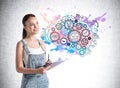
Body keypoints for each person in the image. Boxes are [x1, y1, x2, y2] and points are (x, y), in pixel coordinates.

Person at [16, 14, 52, 88]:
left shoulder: (42, 43)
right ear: (25, 27)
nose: (36, 26)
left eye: (37, 23)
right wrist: (37, 71)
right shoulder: (21, 44)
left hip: (44, 82)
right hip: (29, 84)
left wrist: (48, 64)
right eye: (32, 24)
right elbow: (19, 68)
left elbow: (43, 67)